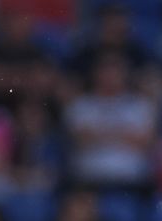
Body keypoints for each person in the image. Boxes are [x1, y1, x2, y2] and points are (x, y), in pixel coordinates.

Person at [63, 52, 157, 193]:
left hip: (132, 180)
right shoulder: (81, 105)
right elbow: (80, 140)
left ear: (124, 74)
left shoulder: (140, 106)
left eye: (115, 71)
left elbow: (145, 143)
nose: (110, 76)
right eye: (105, 71)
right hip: (88, 179)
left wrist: (100, 133)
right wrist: (123, 134)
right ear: (96, 74)